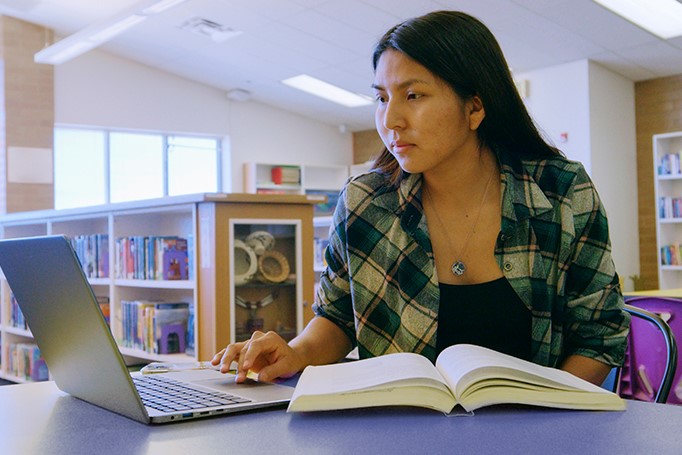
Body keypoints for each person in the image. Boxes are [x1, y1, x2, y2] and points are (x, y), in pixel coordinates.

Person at [212, 10, 630, 386]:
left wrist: (546, 411)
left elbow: (599, 336)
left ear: (475, 107)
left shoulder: (560, 192)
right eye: (381, 98)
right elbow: (339, 318)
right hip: (401, 431)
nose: (390, 119)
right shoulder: (364, 204)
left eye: (413, 95)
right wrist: (296, 352)